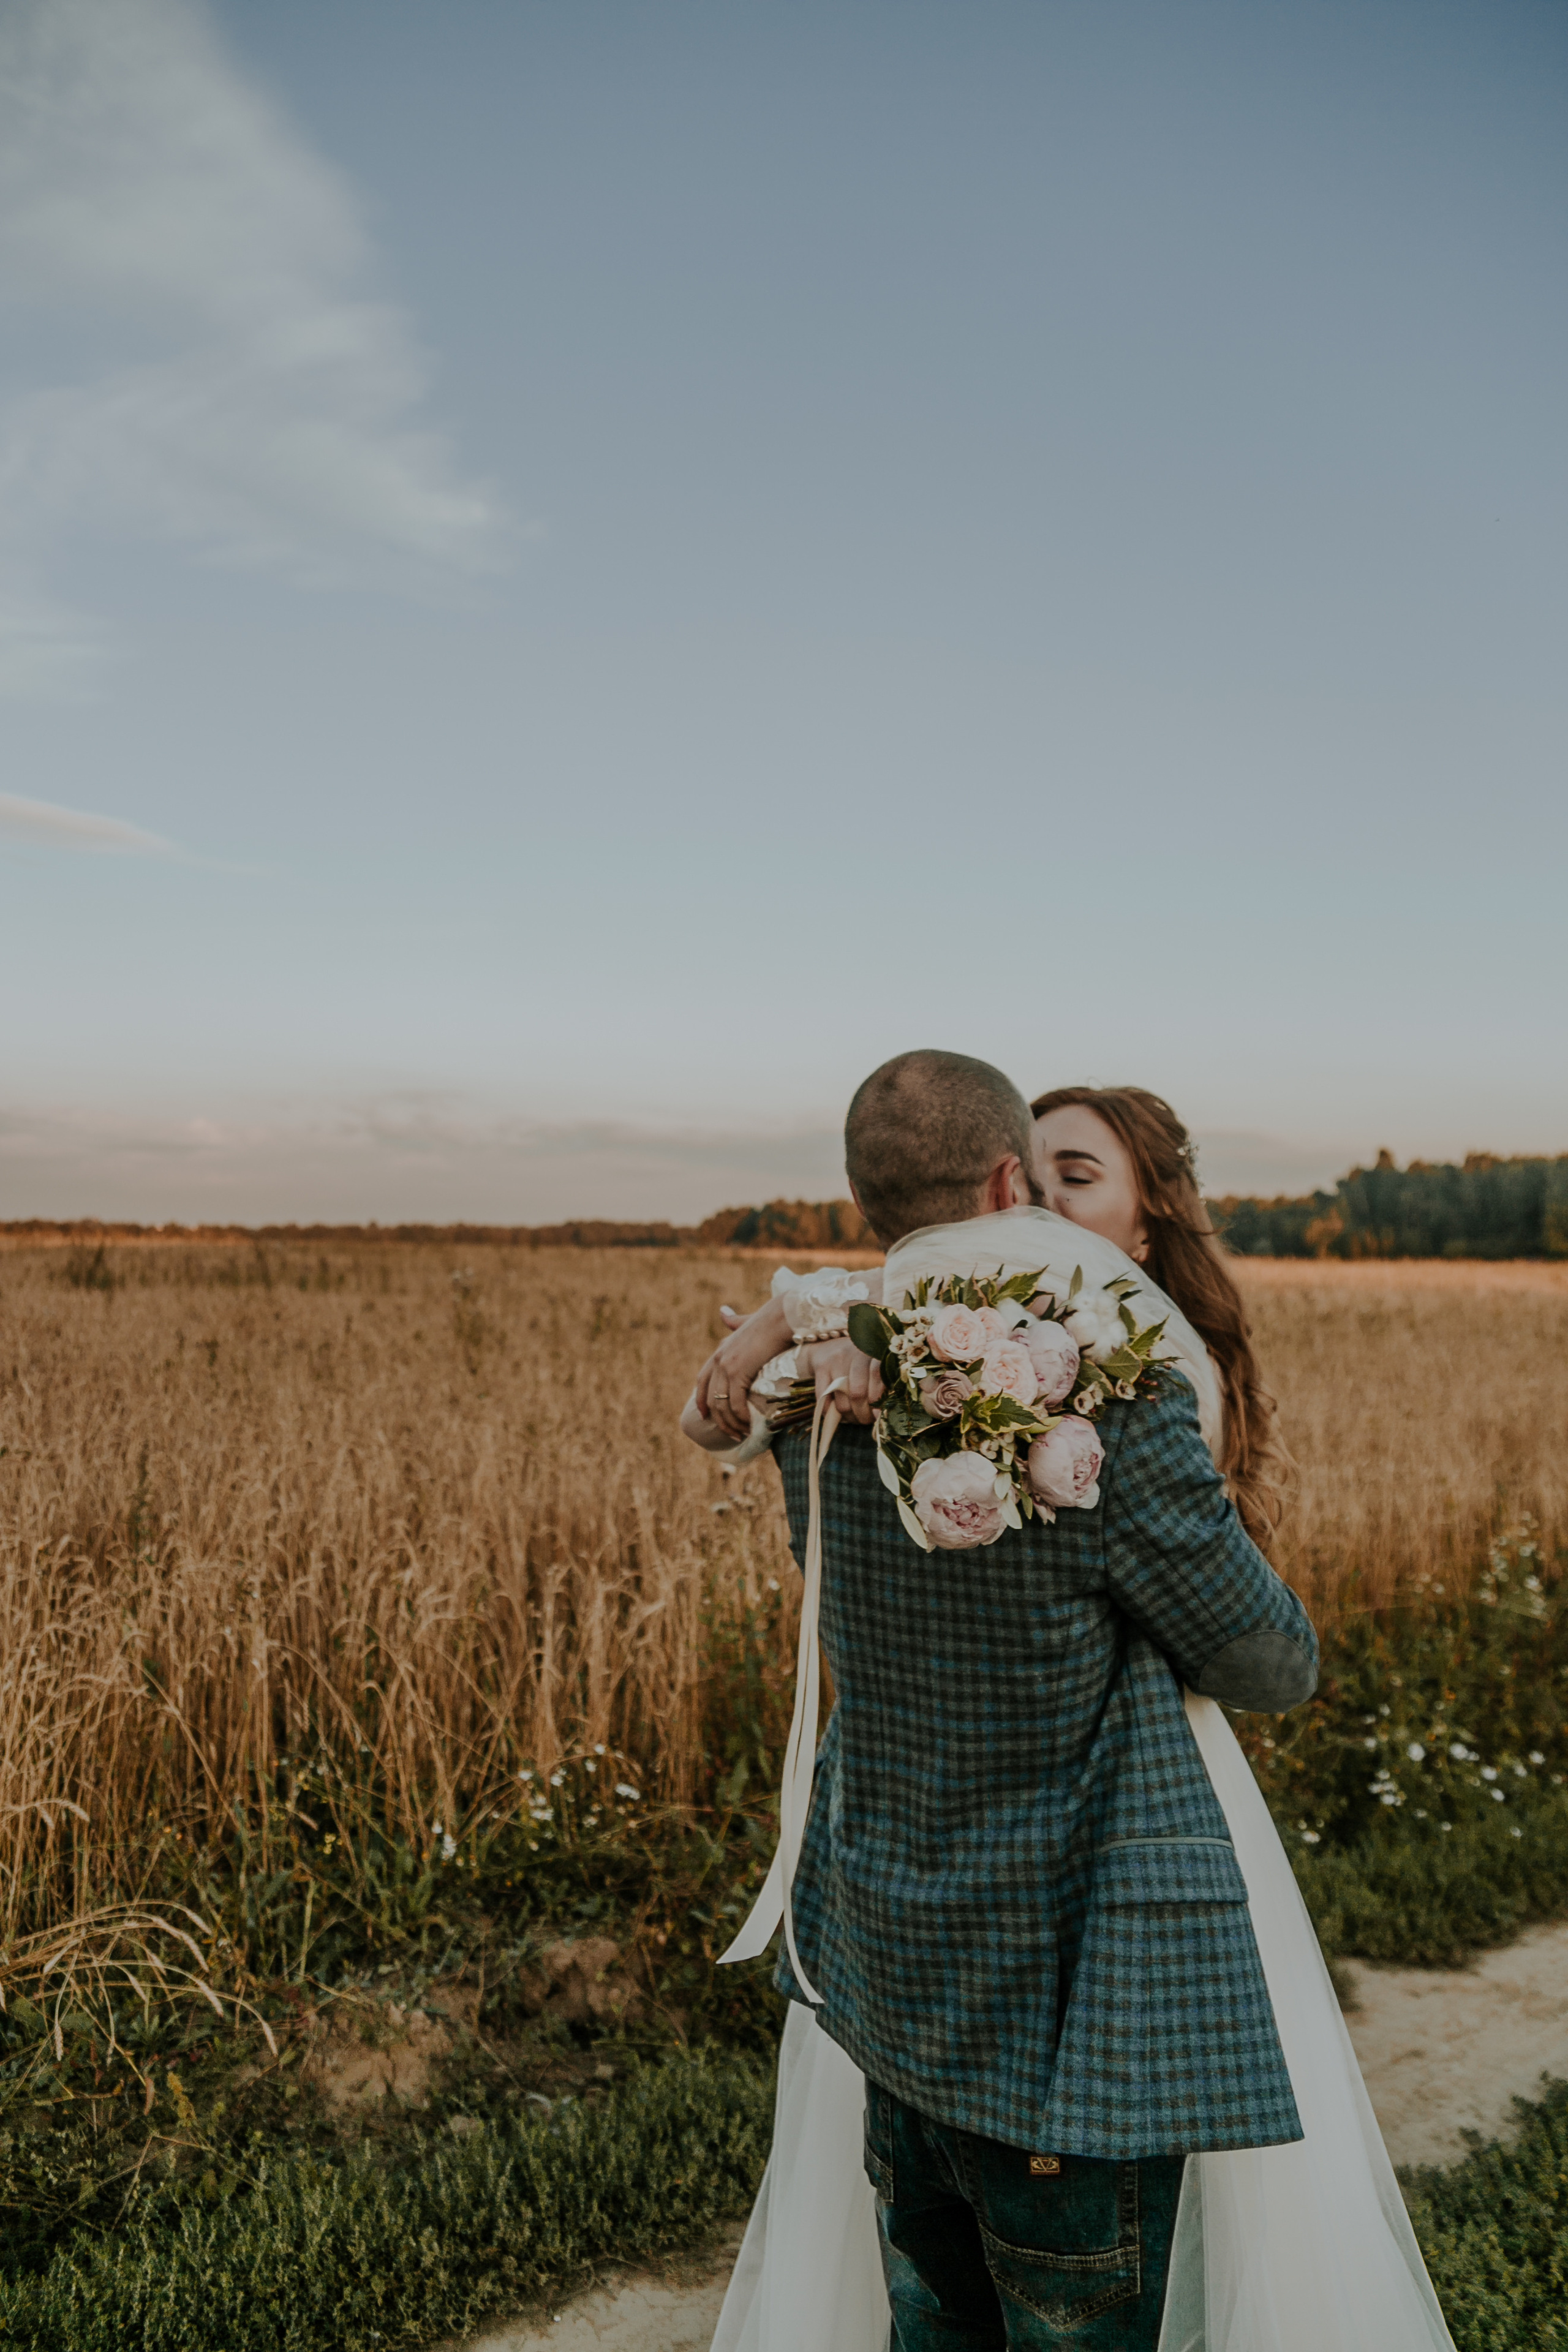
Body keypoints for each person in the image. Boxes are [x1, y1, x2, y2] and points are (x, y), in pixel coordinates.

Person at [692, 1056, 1457, 2352]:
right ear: (1005, 1184)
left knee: (932, 2322)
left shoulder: (818, 1398)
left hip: (897, 1987)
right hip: (1061, 2005)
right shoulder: (1108, 1405)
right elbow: (1273, 1665)